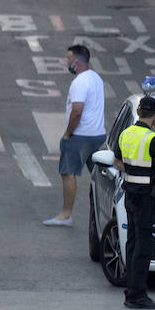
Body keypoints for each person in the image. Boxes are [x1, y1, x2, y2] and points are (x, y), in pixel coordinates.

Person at [113, 95, 155, 310]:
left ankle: (132, 291)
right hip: (148, 197)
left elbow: (117, 160)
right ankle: (137, 295)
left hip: (131, 195)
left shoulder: (126, 133)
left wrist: (133, 172)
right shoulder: (151, 138)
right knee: (144, 247)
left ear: (138, 112)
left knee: (133, 242)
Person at [43, 44, 106, 227]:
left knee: (68, 172)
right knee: (99, 177)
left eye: (68, 59)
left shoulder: (79, 82)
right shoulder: (96, 78)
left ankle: (66, 214)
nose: (67, 63)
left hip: (80, 136)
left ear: (76, 62)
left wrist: (67, 134)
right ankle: (104, 212)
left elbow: (77, 111)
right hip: (98, 135)